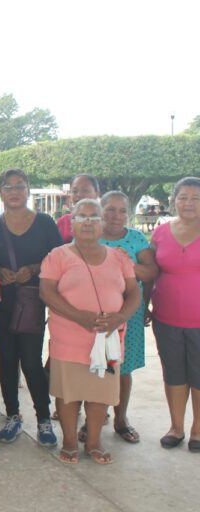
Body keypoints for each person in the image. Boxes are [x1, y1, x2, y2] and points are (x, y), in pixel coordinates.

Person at [39, 198, 140, 464]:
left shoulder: (119, 258)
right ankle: (70, 442)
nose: (87, 222)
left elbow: (134, 292)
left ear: (102, 223)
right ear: (71, 223)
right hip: (69, 340)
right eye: (81, 217)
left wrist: (119, 317)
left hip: (108, 341)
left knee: (100, 395)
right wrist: (79, 317)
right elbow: (46, 292)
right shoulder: (57, 256)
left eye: (94, 217)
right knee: (69, 395)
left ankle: (93, 443)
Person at [0, 169, 62, 446]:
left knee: (31, 362)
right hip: (2, 302)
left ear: (28, 190)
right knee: (7, 361)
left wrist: (33, 268)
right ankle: (13, 415)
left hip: (32, 302)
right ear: (0, 192)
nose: (14, 191)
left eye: (20, 186)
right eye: (8, 186)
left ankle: (42, 418)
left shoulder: (44, 223)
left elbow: (57, 258)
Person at [98, 191, 158, 443]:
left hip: (129, 316)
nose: (116, 215)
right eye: (110, 209)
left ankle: (121, 419)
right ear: (101, 211)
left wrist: (127, 264)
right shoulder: (91, 237)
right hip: (97, 315)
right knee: (97, 368)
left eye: (122, 210)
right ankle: (94, 418)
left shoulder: (135, 239)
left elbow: (151, 271)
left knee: (123, 368)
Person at [150, 177, 200, 453]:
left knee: (199, 374)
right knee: (174, 373)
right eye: (183, 197)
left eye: (196, 198)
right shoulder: (161, 232)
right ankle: (177, 426)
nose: (189, 203)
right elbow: (152, 270)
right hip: (166, 315)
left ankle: (198, 429)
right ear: (174, 200)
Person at [57, 174, 100, 243]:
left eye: (85, 190)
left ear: (97, 193)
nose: (79, 194)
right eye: (75, 191)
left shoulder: (108, 221)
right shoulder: (63, 222)